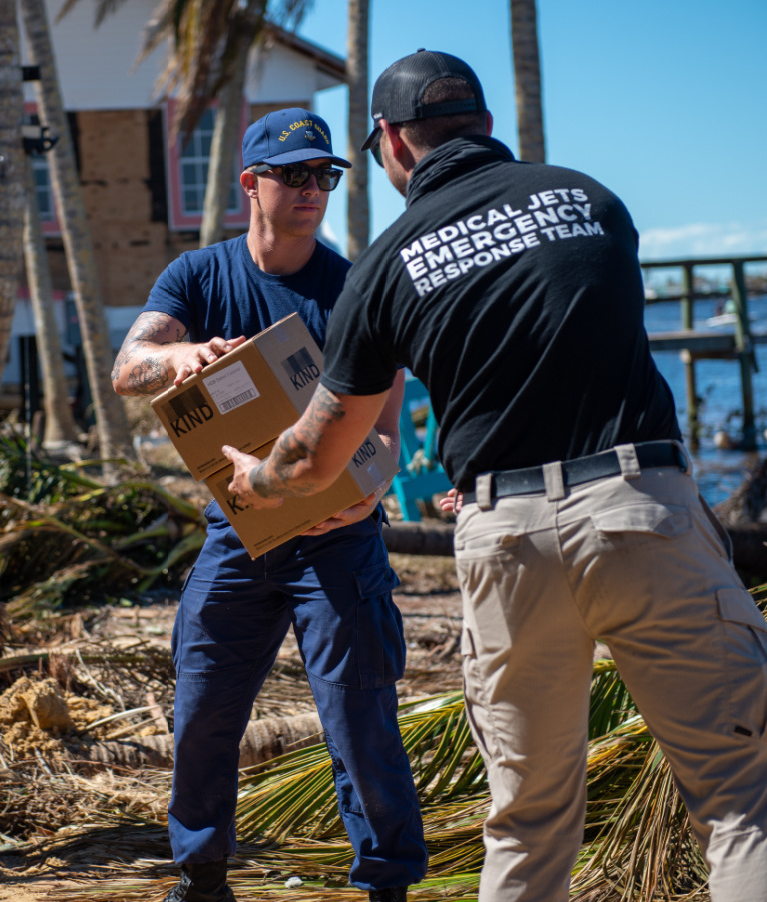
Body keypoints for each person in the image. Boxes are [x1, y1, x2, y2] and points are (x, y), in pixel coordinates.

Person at [224, 50, 767, 902]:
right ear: (482, 124)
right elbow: (566, 328)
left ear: (394, 144)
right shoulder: (591, 201)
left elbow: (321, 452)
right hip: (638, 506)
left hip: (505, 537)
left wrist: (258, 481)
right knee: (742, 799)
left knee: (527, 818)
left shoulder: (386, 261)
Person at [112, 108, 428, 902]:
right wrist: (181, 356)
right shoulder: (197, 277)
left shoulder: (357, 287)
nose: (312, 190)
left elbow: (388, 437)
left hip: (338, 540)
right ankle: (203, 874)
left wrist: (360, 504)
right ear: (250, 182)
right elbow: (128, 369)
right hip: (236, 535)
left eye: (325, 175)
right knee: (203, 711)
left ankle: (386, 885)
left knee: (359, 726)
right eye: (294, 175)